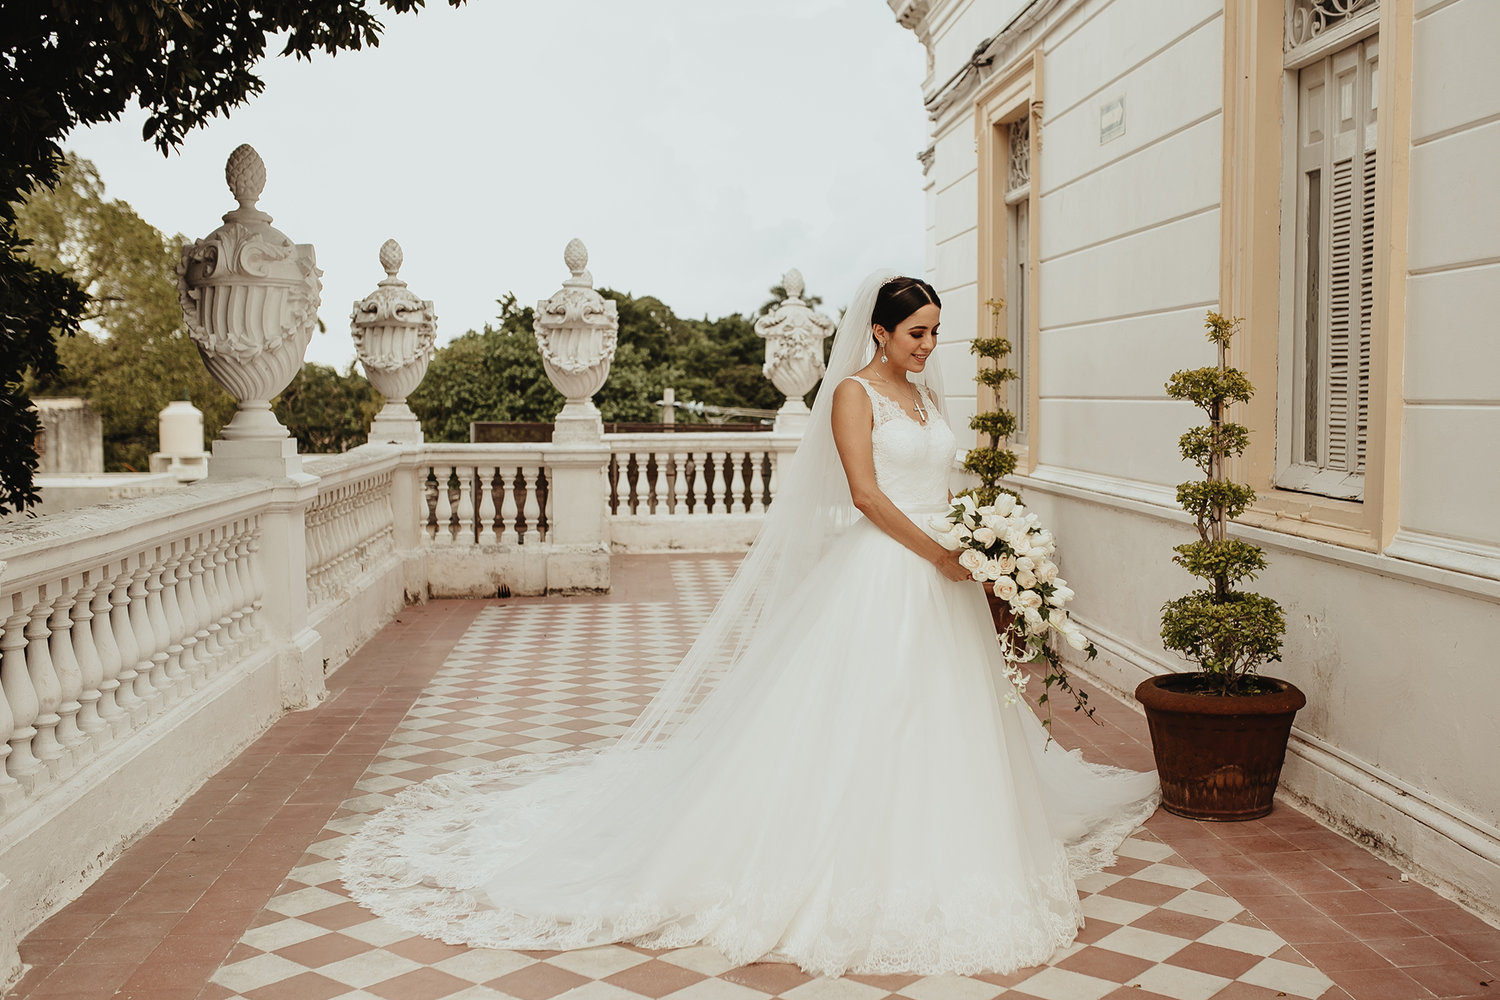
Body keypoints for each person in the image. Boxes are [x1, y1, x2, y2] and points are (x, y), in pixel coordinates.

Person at [341, 271, 1159, 977]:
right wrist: (943, 555)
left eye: (935, 333)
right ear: (877, 331)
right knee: (867, 715)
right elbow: (869, 498)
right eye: (915, 332)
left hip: (942, 575)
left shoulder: (927, 394)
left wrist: (977, 542)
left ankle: (958, 851)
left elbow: (938, 484)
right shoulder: (852, 393)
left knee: (946, 720)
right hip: (887, 571)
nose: (926, 346)